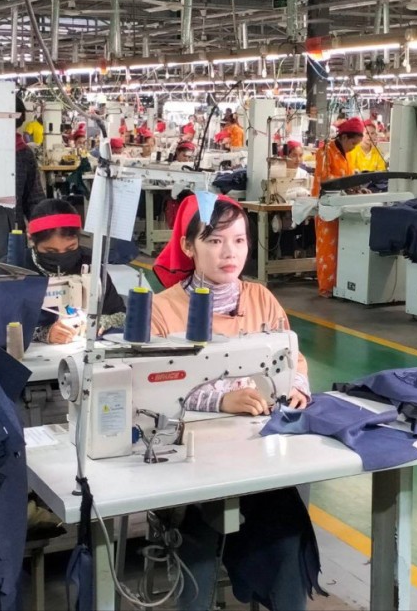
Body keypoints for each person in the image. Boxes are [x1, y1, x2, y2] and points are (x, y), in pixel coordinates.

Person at [151, 194, 319, 610]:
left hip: (260, 455)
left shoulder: (261, 298)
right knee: (199, 539)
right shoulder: (162, 310)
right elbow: (155, 383)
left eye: (239, 240)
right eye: (215, 240)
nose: (230, 253)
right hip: (190, 462)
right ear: (188, 246)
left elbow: (292, 357)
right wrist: (222, 400)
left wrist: (297, 386)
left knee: (289, 532)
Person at [25, 199, 125, 344]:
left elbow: (121, 315)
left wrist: (101, 322)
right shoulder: (14, 267)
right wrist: (41, 333)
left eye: (70, 248)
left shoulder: (90, 263)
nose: (62, 256)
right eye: (51, 251)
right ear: (32, 241)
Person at [312, 117, 365, 297]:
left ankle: (341, 285)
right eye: (353, 143)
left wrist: (357, 188)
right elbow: (324, 179)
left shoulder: (348, 155)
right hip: (326, 205)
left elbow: (349, 177)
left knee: (343, 247)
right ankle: (326, 287)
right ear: (343, 137)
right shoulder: (325, 152)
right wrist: (347, 184)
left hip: (343, 206)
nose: (353, 148)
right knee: (328, 247)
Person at [15, 97, 45, 229]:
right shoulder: (24, 153)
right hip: (14, 230)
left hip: (14, 231)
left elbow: (34, 200)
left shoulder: (24, 153)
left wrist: (42, 230)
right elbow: (34, 199)